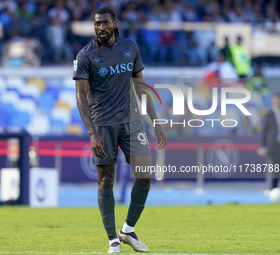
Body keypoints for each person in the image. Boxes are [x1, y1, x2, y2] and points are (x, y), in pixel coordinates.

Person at [73, 6, 167, 254]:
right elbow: (81, 98)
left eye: (105, 23)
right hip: (103, 124)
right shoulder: (84, 56)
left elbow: (141, 88)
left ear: (114, 23)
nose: (101, 28)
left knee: (145, 175)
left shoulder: (130, 47)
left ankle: (128, 229)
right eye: (97, 24)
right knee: (106, 181)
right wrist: (92, 132)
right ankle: (113, 239)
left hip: (132, 122)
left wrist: (155, 122)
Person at [258, 94, 280, 189]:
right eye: (275, 99)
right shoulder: (269, 114)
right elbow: (264, 131)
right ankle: (272, 189)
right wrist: (263, 146)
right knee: (273, 169)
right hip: (273, 146)